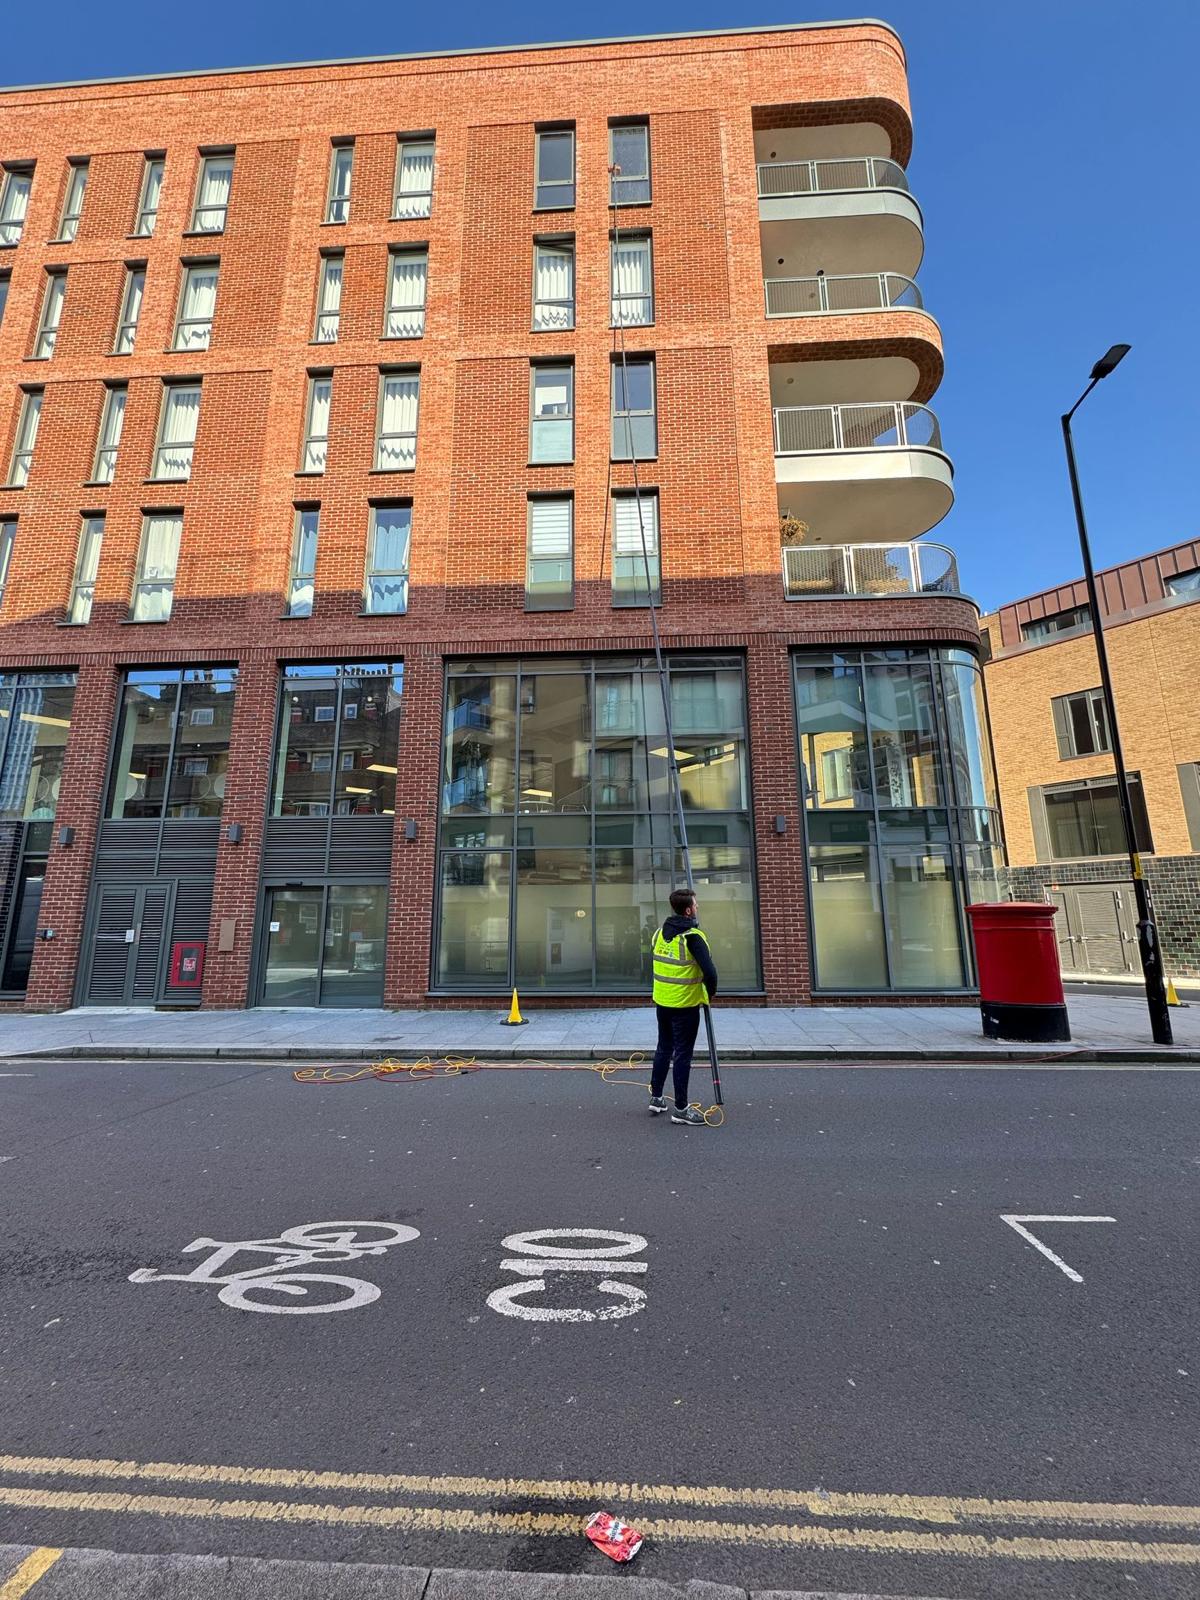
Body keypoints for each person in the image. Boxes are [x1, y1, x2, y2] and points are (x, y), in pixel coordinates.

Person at [649, 888, 718, 1126]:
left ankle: (657, 1098)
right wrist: (710, 993)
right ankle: (681, 1109)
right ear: (688, 910)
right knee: (682, 1055)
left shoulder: (659, 933)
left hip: (662, 1002)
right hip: (685, 1005)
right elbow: (710, 972)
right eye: (696, 905)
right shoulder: (693, 937)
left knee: (663, 1048)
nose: (698, 907)